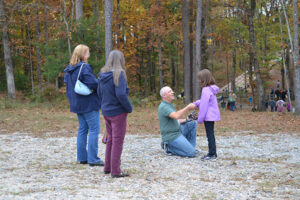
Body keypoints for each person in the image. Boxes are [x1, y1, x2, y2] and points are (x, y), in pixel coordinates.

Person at [64, 44, 104, 166]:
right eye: (87, 52)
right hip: (88, 103)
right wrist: (100, 83)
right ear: (82, 54)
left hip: (76, 104)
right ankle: (93, 159)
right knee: (94, 129)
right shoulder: (84, 67)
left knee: (82, 129)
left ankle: (82, 158)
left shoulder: (69, 69)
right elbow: (93, 83)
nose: (89, 54)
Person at [98, 50, 132, 178]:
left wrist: (104, 105)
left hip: (106, 110)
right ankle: (116, 170)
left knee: (111, 139)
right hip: (118, 112)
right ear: (121, 60)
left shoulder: (103, 75)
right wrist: (128, 107)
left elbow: (99, 94)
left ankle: (108, 167)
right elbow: (121, 94)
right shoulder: (120, 74)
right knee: (117, 140)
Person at [158, 86, 198, 158]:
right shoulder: (164, 106)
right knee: (191, 153)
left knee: (192, 123)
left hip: (178, 131)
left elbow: (175, 120)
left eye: (172, 91)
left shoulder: (170, 105)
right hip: (171, 136)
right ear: (164, 95)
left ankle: (189, 147)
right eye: (170, 91)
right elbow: (176, 116)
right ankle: (168, 147)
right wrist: (188, 107)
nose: (172, 92)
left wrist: (187, 119)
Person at [191, 69, 220, 161]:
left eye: (200, 78)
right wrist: (197, 102)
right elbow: (205, 101)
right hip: (212, 115)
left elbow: (204, 106)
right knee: (211, 134)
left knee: (210, 135)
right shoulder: (212, 89)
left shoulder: (206, 90)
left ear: (204, 79)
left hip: (208, 116)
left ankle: (212, 154)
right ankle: (212, 153)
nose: (199, 80)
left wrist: (200, 118)